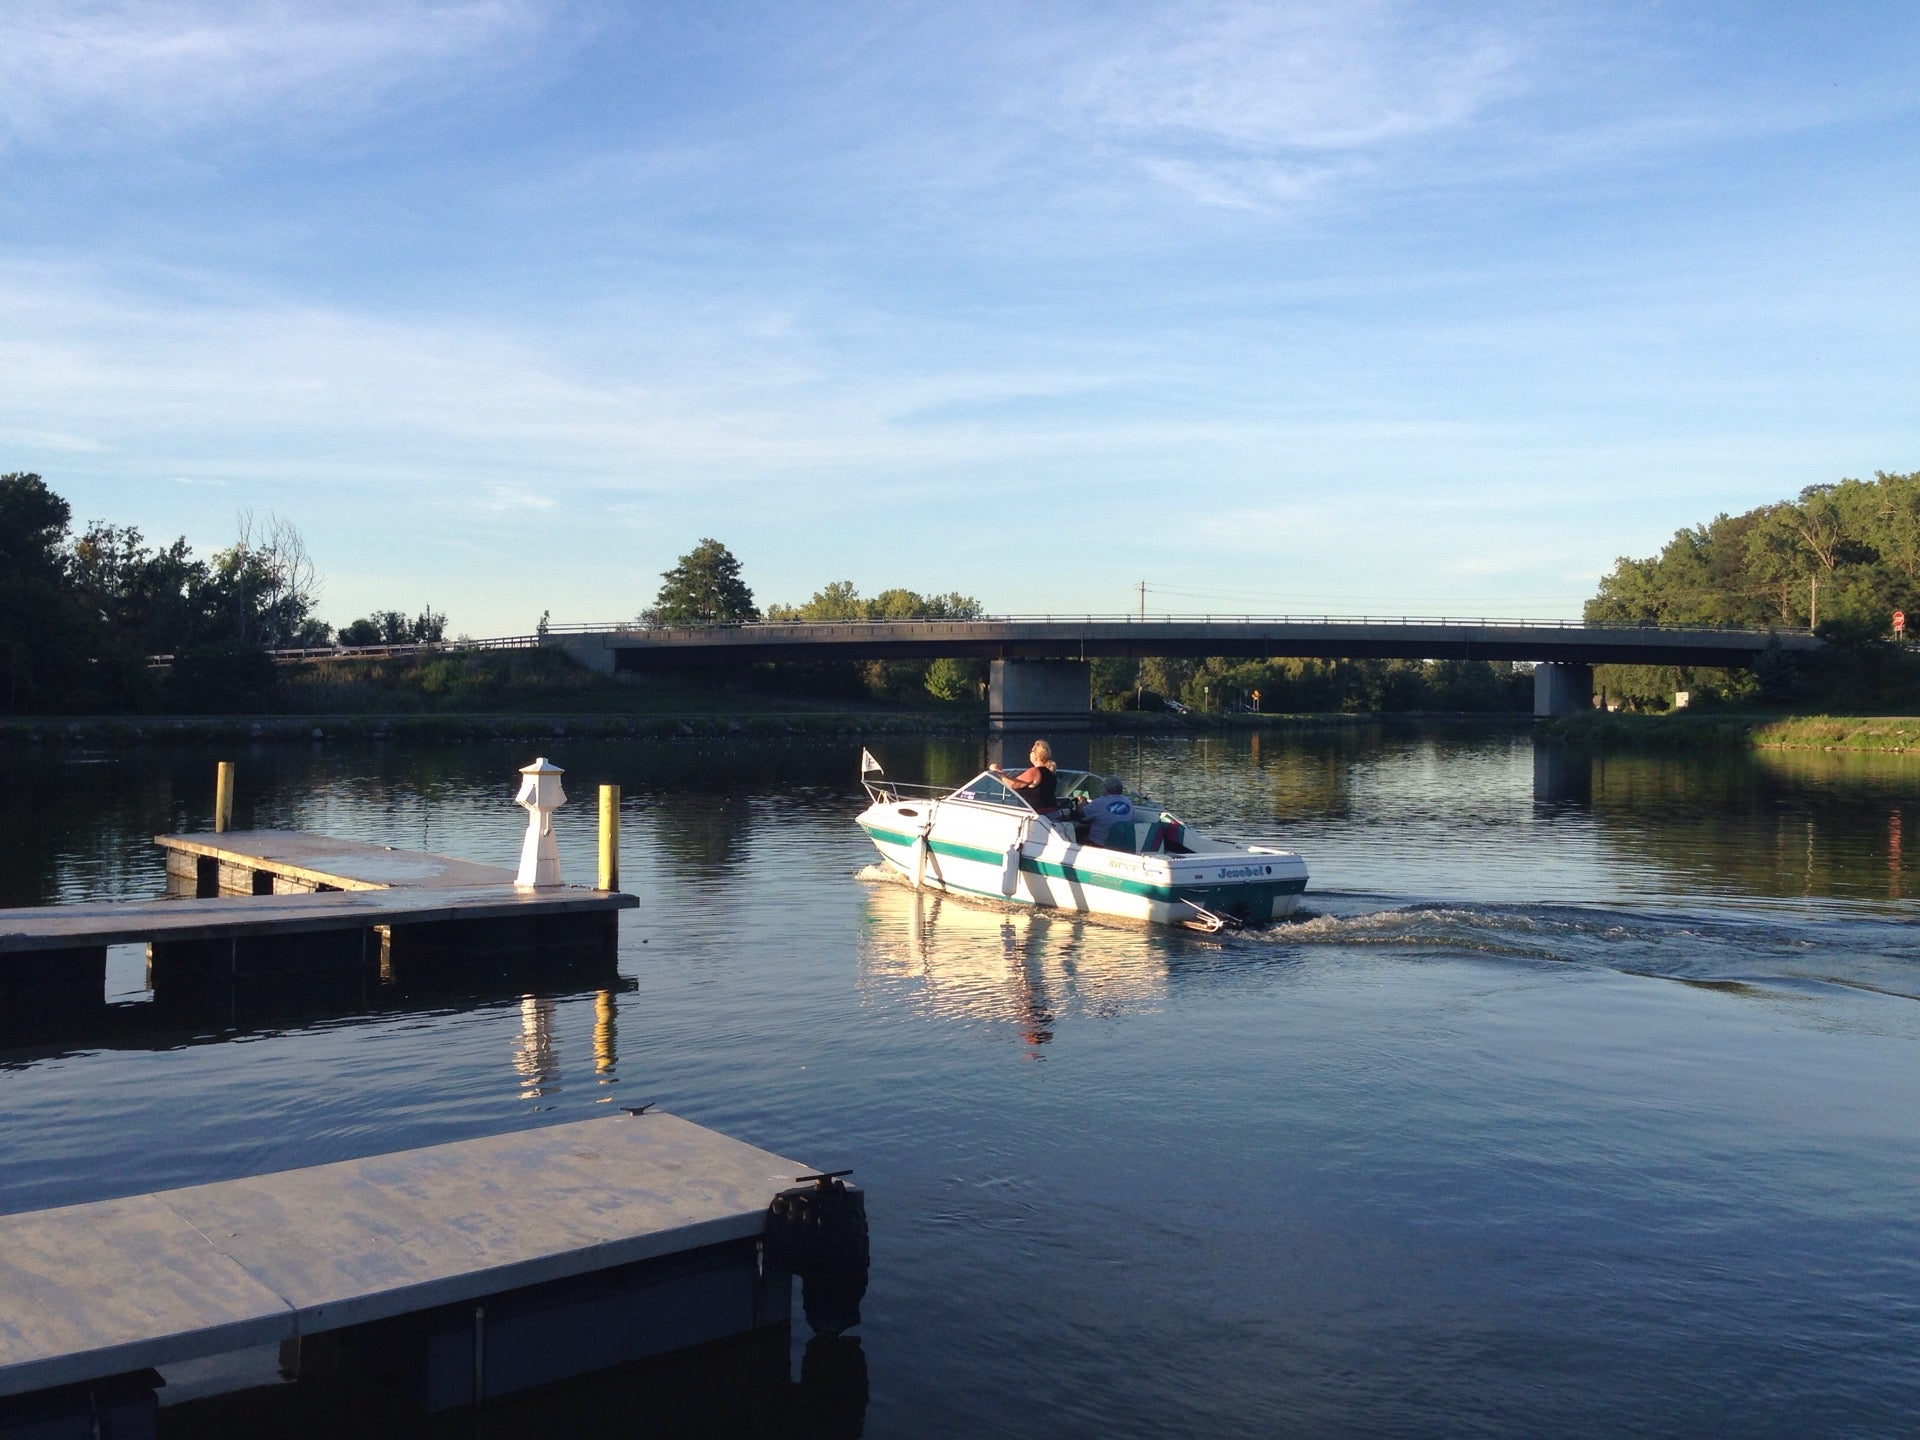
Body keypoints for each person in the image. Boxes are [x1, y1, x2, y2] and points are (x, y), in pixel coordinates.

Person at [990, 740, 1059, 816]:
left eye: (1031, 751)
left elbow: (1013, 784)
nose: (1030, 753)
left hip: (1038, 815)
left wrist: (999, 772)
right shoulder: (1050, 773)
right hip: (1053, 813)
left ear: (1036, 755)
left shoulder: (1034, 771)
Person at [1081, 776, 1134, 847]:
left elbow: (1082, 815)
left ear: (1106, 789)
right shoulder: (1128, 802)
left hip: (1098, 844)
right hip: (1120, 844)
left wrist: (1082, 803)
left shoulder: (1100, 802)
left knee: (1079, 838)